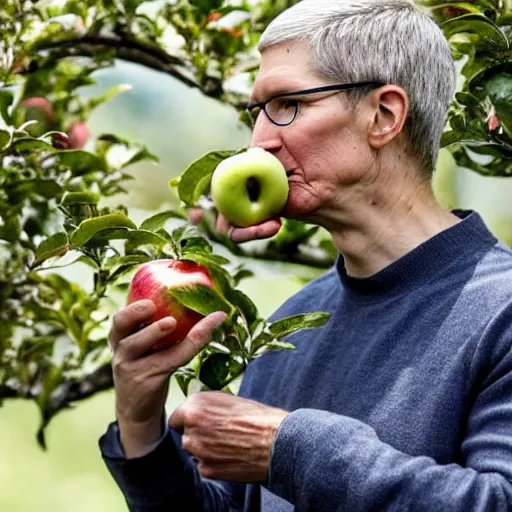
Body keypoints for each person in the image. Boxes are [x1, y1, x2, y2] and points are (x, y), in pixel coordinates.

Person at [99, 0, 512, 510]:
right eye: (257, 113)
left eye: (287, 105)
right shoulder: (292, 326)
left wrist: (286, 448)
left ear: (383, 115)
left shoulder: (501, 311)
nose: (258, 143)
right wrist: (140, 425)